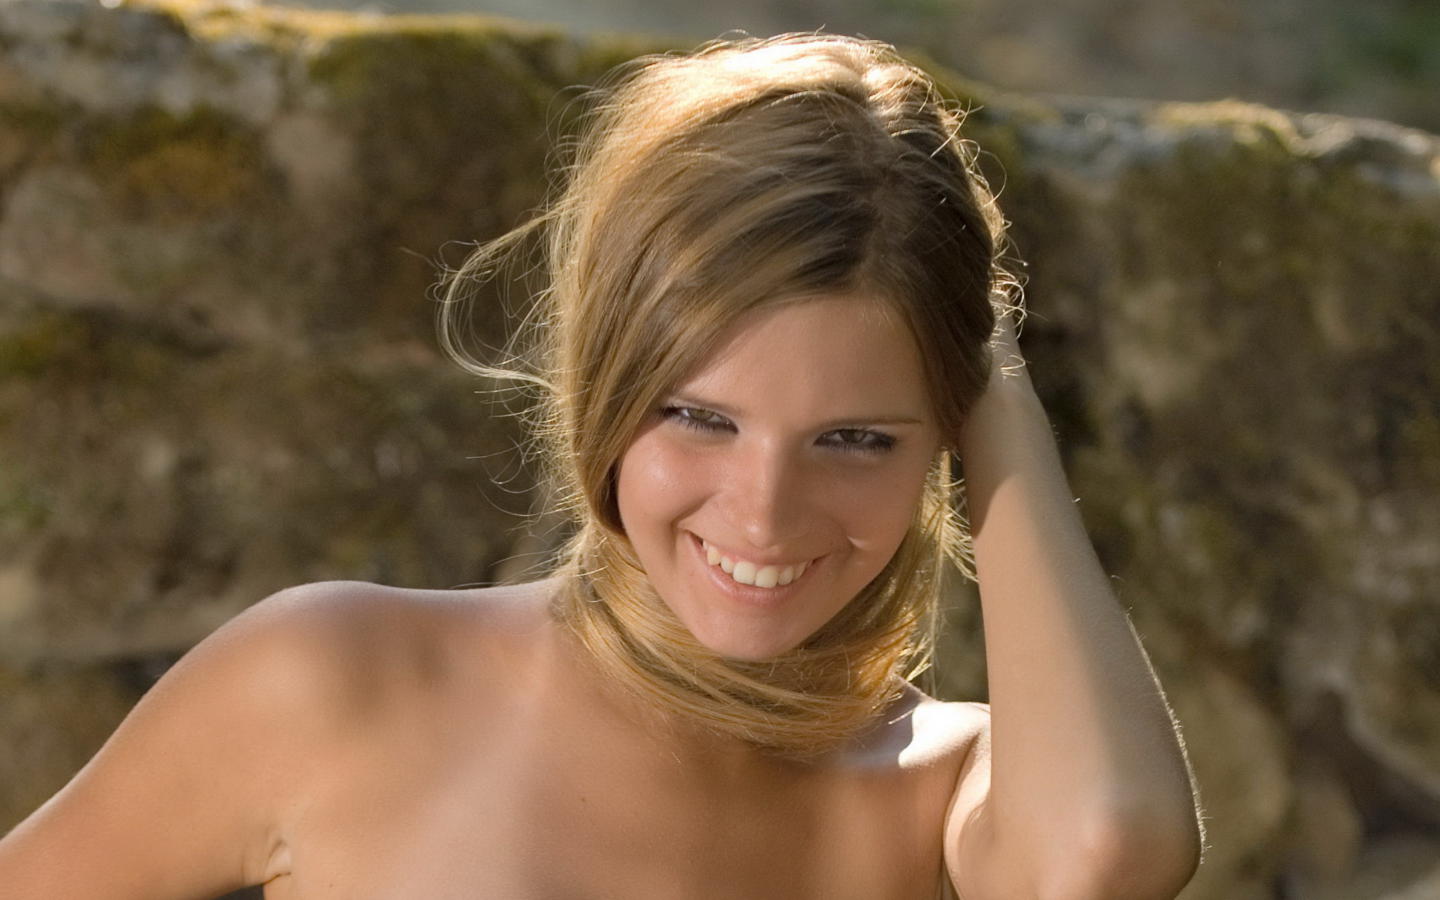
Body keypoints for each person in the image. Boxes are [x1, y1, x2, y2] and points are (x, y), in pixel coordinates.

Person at [0, 32, 1203, 899]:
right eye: (700, 418)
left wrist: (990, 373)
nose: (764, 515)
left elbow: (1104, 852)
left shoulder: (944, 787)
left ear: (945, 442)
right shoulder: (333, 680)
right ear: (603, 387)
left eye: (855, 438)